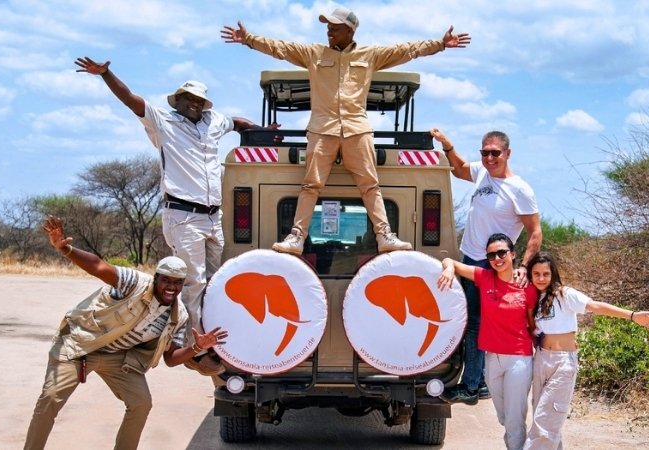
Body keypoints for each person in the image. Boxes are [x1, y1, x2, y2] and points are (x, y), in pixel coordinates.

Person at [220, 6, 471, 255]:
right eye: (328, 26)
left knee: (370, 185)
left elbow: (407, 50)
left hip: (357, 130)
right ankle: (296, 237)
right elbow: (280, 48)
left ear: (350, 30)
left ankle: (384, 236)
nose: (329, 31)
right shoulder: (313, 53)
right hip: (322, 129)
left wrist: (440, 44)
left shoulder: (370, 54)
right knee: (311, 185)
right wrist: (249, 39)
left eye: (335, 27)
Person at [75, 57, 269, 376]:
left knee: (217, 281)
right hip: (183, 214)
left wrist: (263, 132)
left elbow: (237, 122)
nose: (193, 104)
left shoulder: (212, 122)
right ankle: (197, 352)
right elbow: (131, 99)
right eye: (188, 99)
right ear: (177, 100)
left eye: (198, 100)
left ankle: (214, 336)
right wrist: (106, 73)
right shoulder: (163, 122)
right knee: (194, 282)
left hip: (212, 217)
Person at [24, 216, 229, 450]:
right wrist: (65, 249)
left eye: (177, 283)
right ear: (156, 278)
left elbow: (170, 359)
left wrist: (197, 347)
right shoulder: (134, 282)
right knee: (50, 398)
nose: (171, 287)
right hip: (81, 345)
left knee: (141, 403)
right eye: (166, 281)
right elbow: (98, 267)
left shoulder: (178, 315)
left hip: (118, 359)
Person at [430, 128, 543, 404]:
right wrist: (447, 145)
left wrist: (523, 266)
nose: (489, 157)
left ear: (508, 153)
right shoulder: (482, 171)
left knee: (474, 323)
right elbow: (457, 169)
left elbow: (536, 232)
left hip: (492, 262)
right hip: (470, 256)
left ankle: (470, 386)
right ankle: (479, 382)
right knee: (475, 321)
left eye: (495, 152)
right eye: (485, 152)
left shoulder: (520, 189)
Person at [523, 251, 649, 450]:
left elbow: (595, 306)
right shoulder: (535, 299)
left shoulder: (565, 294)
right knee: (544, 417)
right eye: (536, 274)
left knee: (546, 419)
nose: (541, 278)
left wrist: (632, 316)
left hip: (562, 363)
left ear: (553, 273)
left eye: (546, 273)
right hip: (542, 359)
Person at [437, 233, 538, 450]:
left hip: (518, 360)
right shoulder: (484, 277)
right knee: (504, 416)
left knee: (513, 420)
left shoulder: (526, 287)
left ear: (513, 254)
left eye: (502, 252)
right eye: (491, 255)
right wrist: (448, 269)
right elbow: (449, 260)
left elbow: (533, 324)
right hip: (492, 359)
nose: (497, 258)